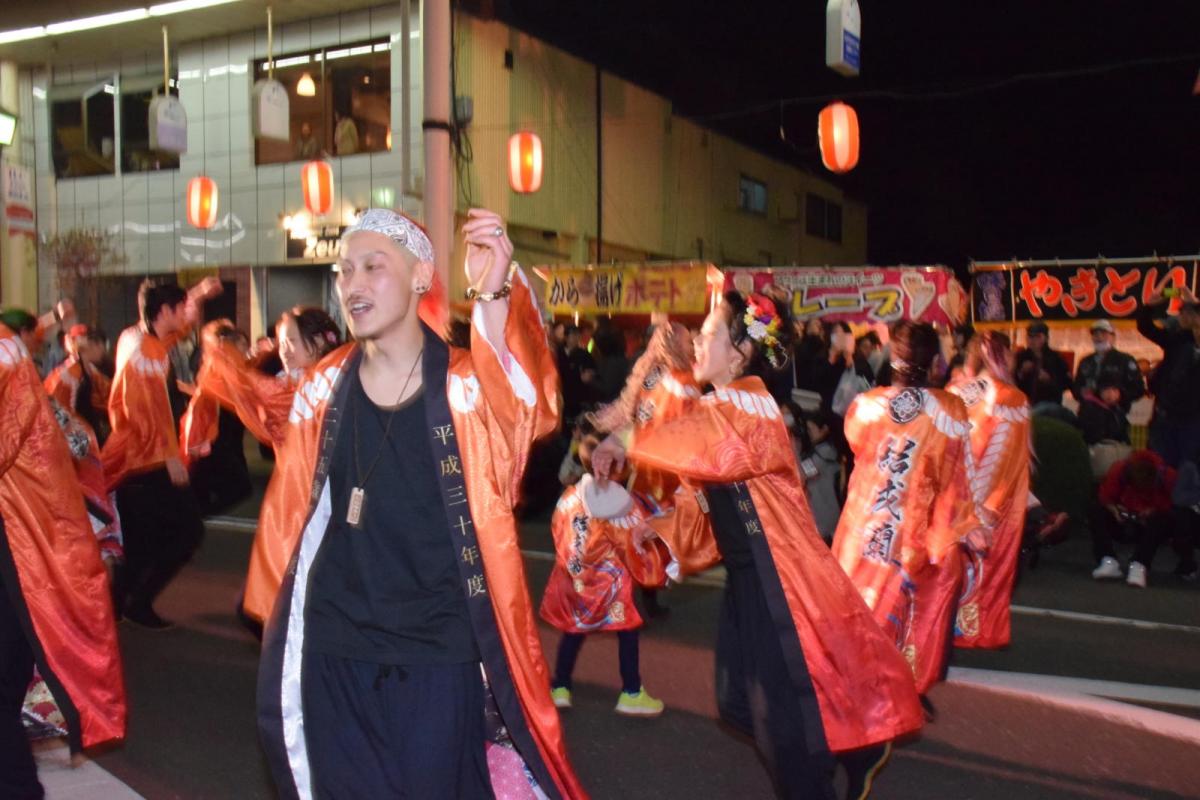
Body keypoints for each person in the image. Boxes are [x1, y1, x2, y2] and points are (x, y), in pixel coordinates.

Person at [254, 208, 584, 799]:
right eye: (344, 270)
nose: (353, 284)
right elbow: (290, 518)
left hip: (437, 657)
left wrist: (493, 296)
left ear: (420, 276)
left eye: (373, 267)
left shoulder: (464, 387)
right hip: (333, 653)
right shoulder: (322, 388)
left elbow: (526, 412)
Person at [591, 295, 923, 800]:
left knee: (782, 724)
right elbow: (706, 489)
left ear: (741, 350)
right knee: (737, 703)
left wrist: (625, 441)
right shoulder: (722, 407)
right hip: (749, 578)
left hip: (777, 578)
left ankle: (828, 768)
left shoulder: (750, 404)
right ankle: (848, 749)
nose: (699, 343)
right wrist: (661, 525)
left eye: (709, 334)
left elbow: (706, 448)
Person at [1, 316, 125, 800]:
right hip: (34, 547)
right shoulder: (22, 365)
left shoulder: (8, 359)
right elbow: (76, 438)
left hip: (23, 550)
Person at [833, 321, 988, 699]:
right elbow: (957, 475)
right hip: (912, 537)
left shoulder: (866, 406)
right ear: (934, 361)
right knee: (910, 612)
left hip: (864, 529)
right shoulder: (949, 409)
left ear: (894, 358)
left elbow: (855, 446)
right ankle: (901, 691)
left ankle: (857, 689)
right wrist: (966, 523)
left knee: (857, 611)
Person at [185, 306, 342, 622]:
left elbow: (253, 387)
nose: (284, 350)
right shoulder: (307, 380)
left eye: (292, 342)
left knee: (276, 603)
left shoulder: (312, 385)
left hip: (308, 504)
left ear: (318, 342)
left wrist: (221, 354)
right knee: (277, 600)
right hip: (298, 501)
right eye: (282, 342)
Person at [101, 277, 222, 629]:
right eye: (180, 307)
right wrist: (170, 456)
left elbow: (175, 333)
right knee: (186, 531)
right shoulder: (145, 353)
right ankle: (135, 602)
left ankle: (120, 605)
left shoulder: (135, 337)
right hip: (145, 459)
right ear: (164, 310)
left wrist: (198, 292)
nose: (186, 316)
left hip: (135, 458)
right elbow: (146, 413)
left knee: (141, 540)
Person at [541, 430, 668, 716]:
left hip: (577, 582)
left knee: (574, 630)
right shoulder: (625, 504)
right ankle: (631, 691)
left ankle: (560, 686)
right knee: (627, 631)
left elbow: (559, 532)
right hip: (613, 588)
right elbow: (641, 541)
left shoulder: (570, 498)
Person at [947, 333, 1032, 650]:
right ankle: (978, 631)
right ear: (1000, 355)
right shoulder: (1012, 399)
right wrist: (990, 506)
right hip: (995, 501)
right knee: (989, 571)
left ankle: (947, 626)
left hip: (954, 499)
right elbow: (1008, 458)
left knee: (954, 568)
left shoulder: (953, 391)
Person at [1090, 450, 1178, 588]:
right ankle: (1107, 559)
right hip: (1124, 518)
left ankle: (1140, 565)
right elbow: (1105, 496)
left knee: (1162, 519)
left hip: (1151, 525)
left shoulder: (1168, 476)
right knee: (1097, 510)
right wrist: (1114, 508)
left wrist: (1153, 510)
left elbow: (1174, 504)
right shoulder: (1119, 470)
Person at [1137, 287, 1200, 467]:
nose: (1185, 316)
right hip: (1165, 416)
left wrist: (1195, 304)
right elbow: (1145, 327)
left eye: (1192, 313)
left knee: (1189, 469)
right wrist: (1149, 306)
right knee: (1161, 467)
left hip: (1193, 420)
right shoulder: (1177, 340)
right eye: (1182, 312)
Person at [45, 324, 112, 445]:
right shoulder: (70, 372)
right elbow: (61, 408)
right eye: (101, 345)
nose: (103, 351)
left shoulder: (89, 369)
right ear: (92, 344)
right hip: (77, 435)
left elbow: (107, 390)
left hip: (88, 429)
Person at [1072, 319, 1145, 414]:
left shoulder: (1125, 360)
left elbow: (1139, 389)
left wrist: (1119, 394)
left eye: (1104, 334)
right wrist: (1082, 392)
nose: (1099, 337)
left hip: (1115, 413)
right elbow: (1076, 387)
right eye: (1095, 334)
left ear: (1113, 337)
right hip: (1088, 412)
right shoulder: (1085, 361)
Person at [1014, 321, 1071, 406]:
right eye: (1030, 336)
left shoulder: (1056, 358)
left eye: (1037, 337)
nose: (1032, 340)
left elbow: (1067, 384)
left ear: (1046, 338)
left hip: (1049, 406)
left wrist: (1049, 380)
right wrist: (1021, 373)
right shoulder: (1020, 357)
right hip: (1024, 405)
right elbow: (1012, 382)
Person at [1078, 374, 1132, 446]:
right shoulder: (1090, 407)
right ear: (1099, 391)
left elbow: (1125, 431)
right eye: (1106, 389)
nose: (1111, 393)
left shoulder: (1116, 409)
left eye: (1114, 389)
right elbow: (1093, 435)